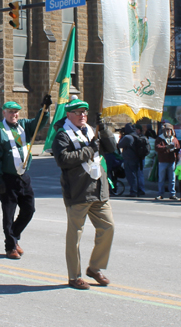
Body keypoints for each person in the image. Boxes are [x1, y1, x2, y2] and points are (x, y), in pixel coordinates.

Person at [52, 99, 116, 290]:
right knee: (75, 236)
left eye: (85, 112)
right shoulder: (62, 135)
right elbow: (63, 159)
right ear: (69, 115)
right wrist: (89, 150)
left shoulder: (91, 130)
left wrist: (104, 130)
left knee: (108, 227)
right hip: (78, 191)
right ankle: (74, 276)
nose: (82, 115)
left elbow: (111, 148)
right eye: (78, 112)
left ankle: (94, 267)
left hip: (98, 190)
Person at [0, 96, 51, 259]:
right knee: (9, 213)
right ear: (4, 113)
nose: (14, 115)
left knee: (29, 209)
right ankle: (10, 247)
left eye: (16, 112)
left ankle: (14, 237)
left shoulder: (23, 126)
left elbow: (38, 123)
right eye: (10, 112)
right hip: (6, 178)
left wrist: (45, 109)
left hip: (23, 176)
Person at [117, 123, 146, 197]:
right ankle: (140, 190)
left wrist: (122, 136)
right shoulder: (137, 135)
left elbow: (119, 145)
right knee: (138, 175)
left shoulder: (127, 137)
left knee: (131, 176)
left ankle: (133, 192)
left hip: (130, 159)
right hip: (138, 158)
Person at [154, 123, 180, 200]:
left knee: (172, 178)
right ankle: (160, 194)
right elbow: (157, 148)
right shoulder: (159, 138)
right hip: (163, 161)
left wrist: (175, 150)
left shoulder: (174, 139)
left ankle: (172, 194)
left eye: (169, 130)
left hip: (172, 160)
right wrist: (166, 147)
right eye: (166, 130)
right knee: (161, 178)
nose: (168, 131)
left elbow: (178, 148)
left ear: (172, 131)